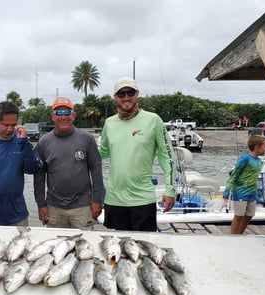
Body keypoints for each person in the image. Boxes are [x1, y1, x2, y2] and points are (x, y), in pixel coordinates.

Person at [98, 77, 176, 231]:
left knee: (142, 250)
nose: (126, 97)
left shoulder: (153, 120)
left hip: (143, 200)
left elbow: (167, 157)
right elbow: (103, 152)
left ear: (137, 94)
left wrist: (170, 190)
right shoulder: (109, 123)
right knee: (115, 251)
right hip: (114, 200)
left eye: (130, 93)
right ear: (115, 97)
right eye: (121, 94)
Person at [33, 96, 104, 229]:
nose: (63, 116)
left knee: (84, 246)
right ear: (53, 116)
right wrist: (40, 204)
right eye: (59, 112)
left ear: (74, 115)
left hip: (82, 207)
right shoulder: (44, 142)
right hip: (54, 208)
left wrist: (97, 200)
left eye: (67, 112)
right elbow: (39, 176)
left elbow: (96, 169)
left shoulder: (87, 139)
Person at [223, 135, 265, 234]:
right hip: (241, 193)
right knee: (239, 216)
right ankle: (234, 237)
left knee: (249, 215)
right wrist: (226, 192)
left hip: (252, 193)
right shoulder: (245, 159)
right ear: (257, 147)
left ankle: (240, 234)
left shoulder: (259, 161)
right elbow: (234, 176)